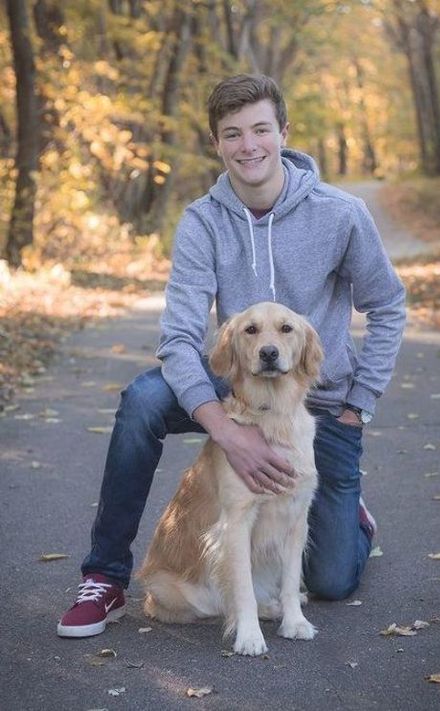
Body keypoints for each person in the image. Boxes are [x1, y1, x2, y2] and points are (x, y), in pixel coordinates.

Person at [57, 74, 406, 638]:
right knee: (143, 400)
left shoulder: (341, 214)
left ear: (283, 132)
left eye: (261, 130)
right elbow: (177, 337)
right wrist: (225, 430)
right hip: (236, 392)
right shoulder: (202, 221)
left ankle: (350, 517)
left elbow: (387, 305)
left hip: (319, 402)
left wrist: (358, 403)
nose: (249, 146)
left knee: (334, 581)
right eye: (233, 134)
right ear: (216, 143)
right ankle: (105, 577)